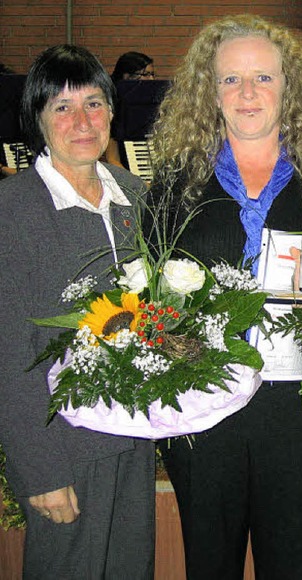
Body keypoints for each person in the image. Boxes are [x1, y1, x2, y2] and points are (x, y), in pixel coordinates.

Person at [149, 14, 302, 579]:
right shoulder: (174, 186)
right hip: (201, 401)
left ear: (290, 89)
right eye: (230, 80)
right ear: (209, 93)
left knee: (290, 562)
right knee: (210, 561)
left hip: (293, 408)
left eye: (264, 77)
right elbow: (148, 292)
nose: (248, 93)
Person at [0, 45, 155, 579]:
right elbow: (8, 354)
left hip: (133, 437)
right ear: (37, 120)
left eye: (93, 103)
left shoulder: (136, 196)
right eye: (62, 108)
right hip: (62, 444)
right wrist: (40, 470)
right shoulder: (12, 209)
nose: (82, 121)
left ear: (113, 111)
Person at [105, 51, 155, 168]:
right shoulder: (112, 107)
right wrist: (137, 183)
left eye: (152, 74)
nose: (151, 79)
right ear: (127, 77)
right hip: (125, 173)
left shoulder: (153, 104)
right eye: (146, 74)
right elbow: (113, 160)